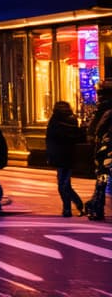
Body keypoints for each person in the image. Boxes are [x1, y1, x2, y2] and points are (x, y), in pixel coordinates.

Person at [46, 100, 86, 217]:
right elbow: (78, 137)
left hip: (59, 156)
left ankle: (69, 207)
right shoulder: (72, 120)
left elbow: (49, 140)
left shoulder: (54, 121)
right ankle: (75, 205)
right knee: (65, 183)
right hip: (69, 155)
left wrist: (49, 155)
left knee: (62, 184)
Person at [84, 81, 112, 221]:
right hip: (106, 149)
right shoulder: (104, 109)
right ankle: (97, 206)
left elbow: (97, 129)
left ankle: (97, 207)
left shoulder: (105, 110)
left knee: (102, 179)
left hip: (106, 149)